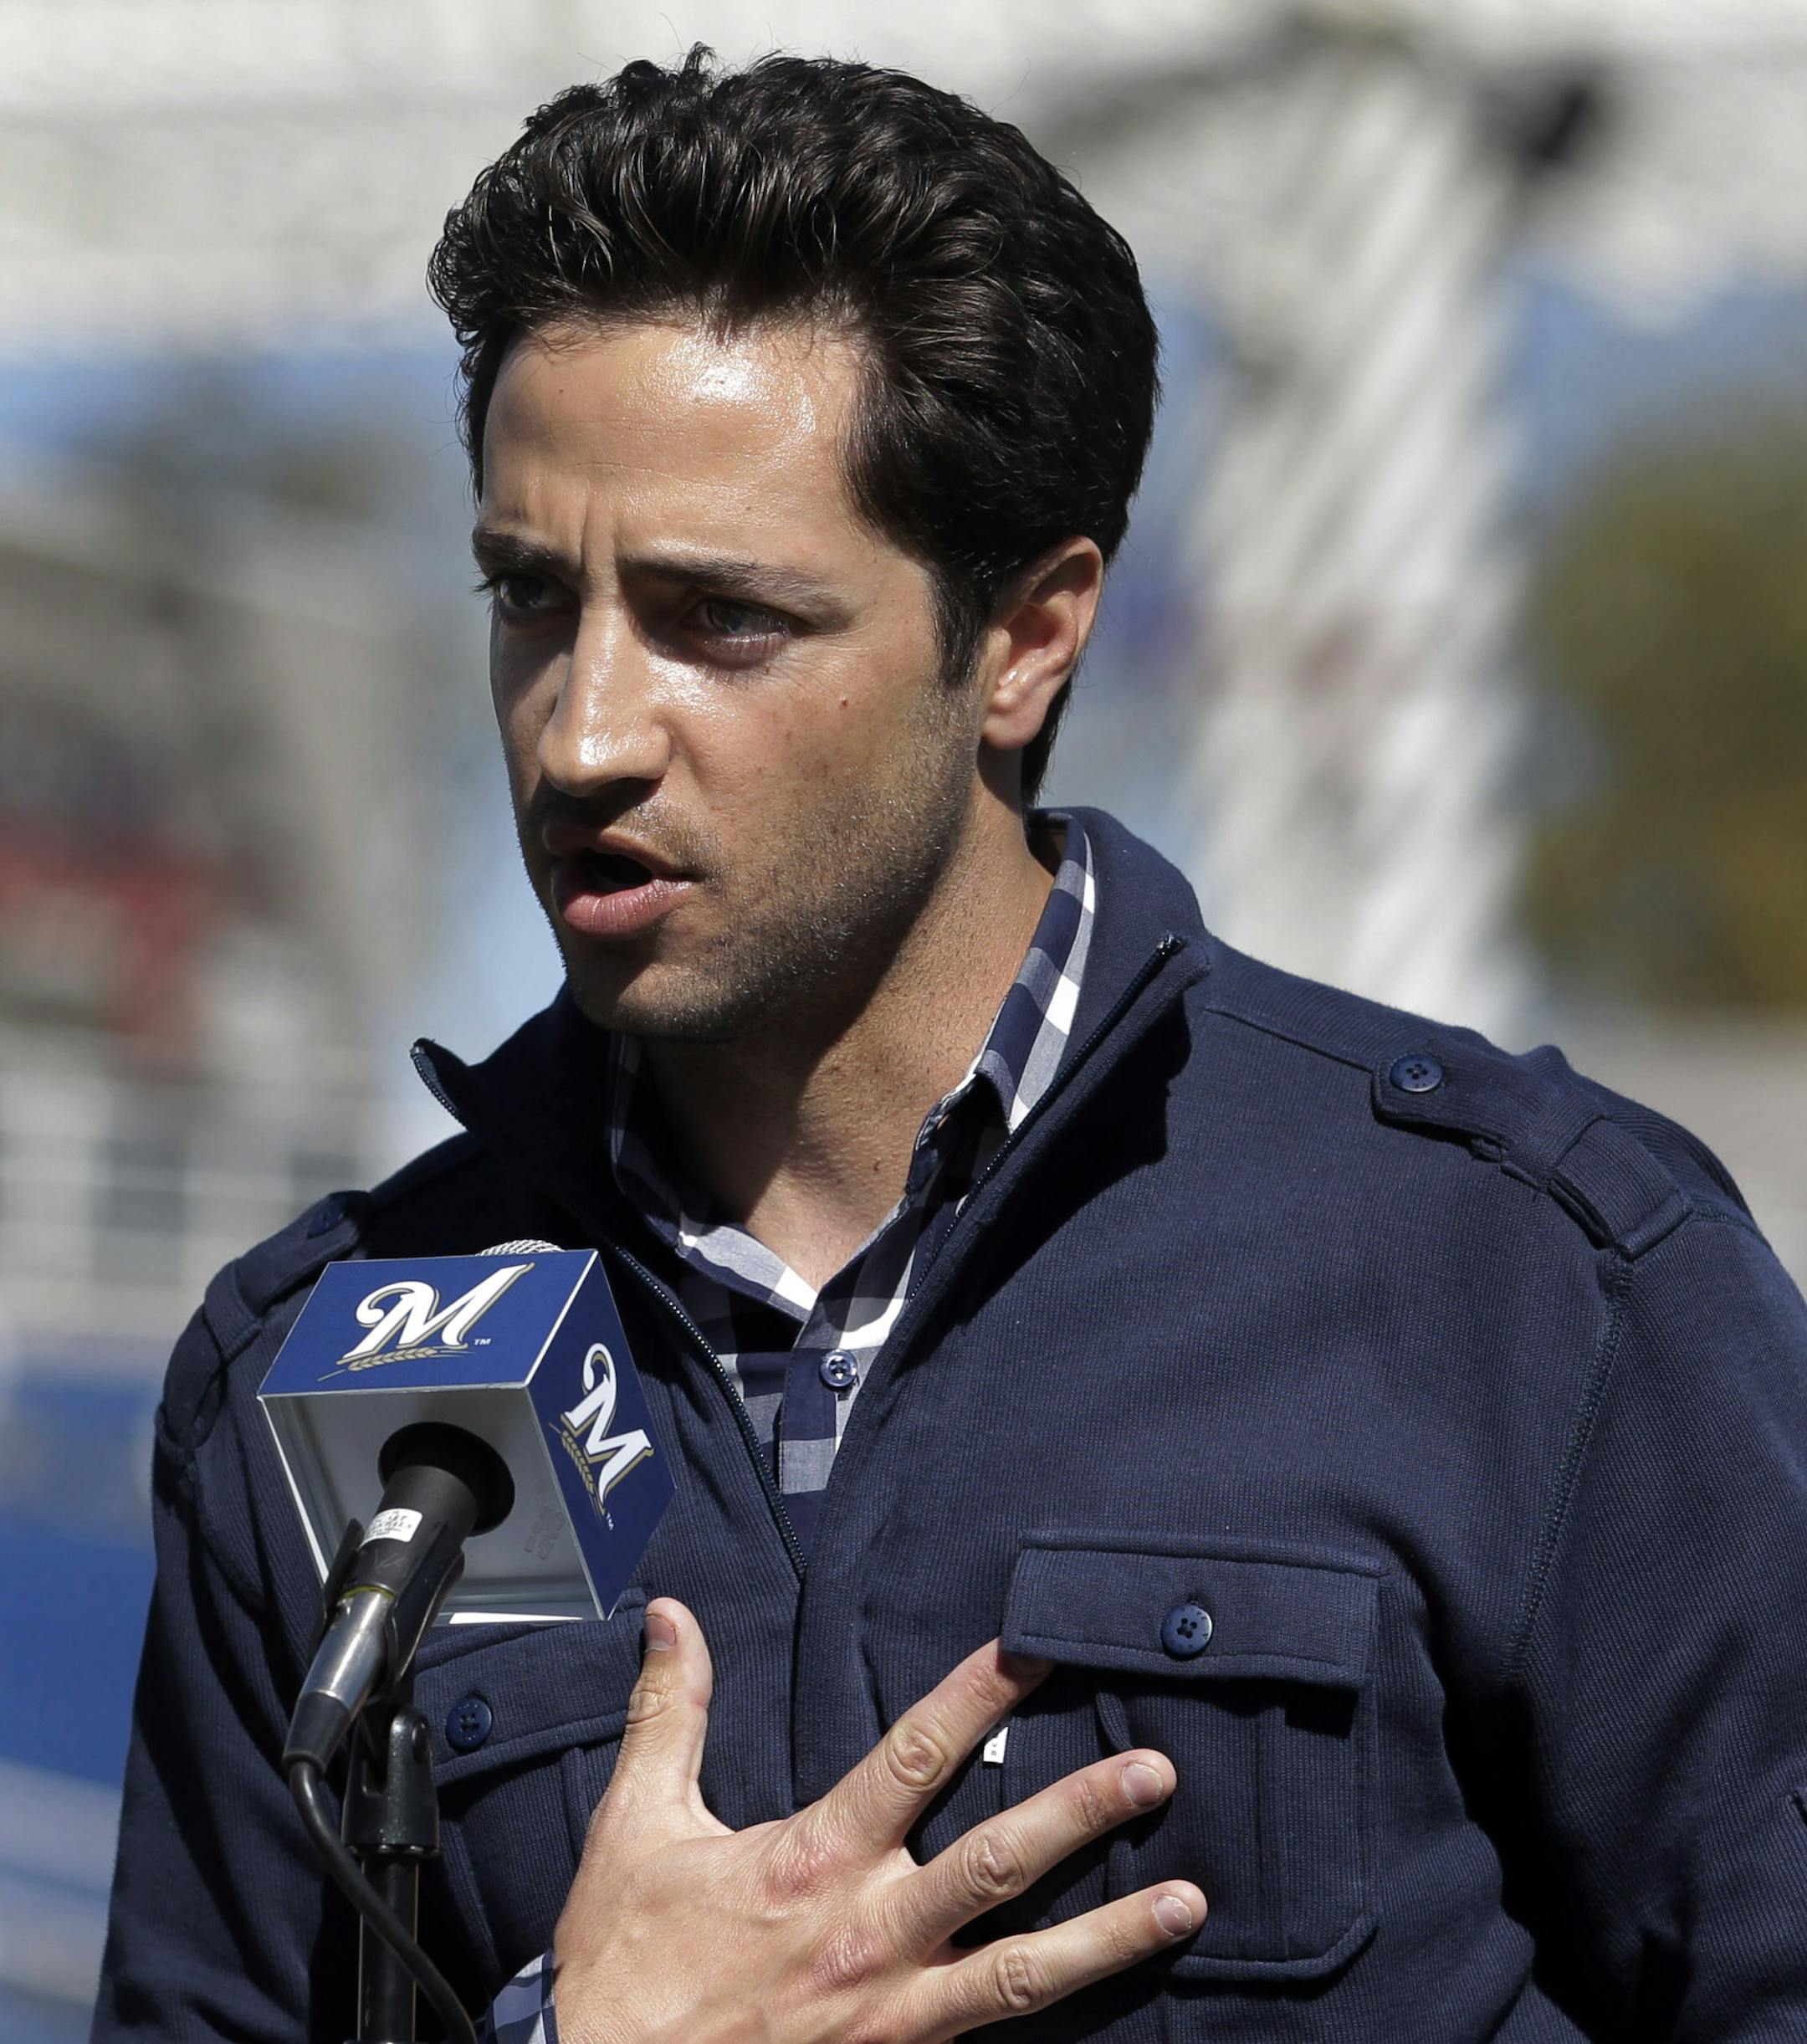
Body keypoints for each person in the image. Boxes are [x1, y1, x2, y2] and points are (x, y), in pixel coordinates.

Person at [93, 45, 1807, 2044]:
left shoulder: (1536, 1282)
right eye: (529, 596)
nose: (582, 732)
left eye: (721, 619)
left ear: (1029, 637)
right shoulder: (314, 1364)